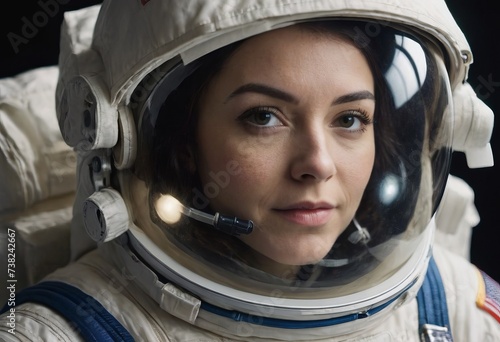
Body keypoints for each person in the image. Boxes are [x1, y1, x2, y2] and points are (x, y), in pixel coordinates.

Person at [1, 0, 499, 341]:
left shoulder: (455, 307)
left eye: (350, 119)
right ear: (183, 144)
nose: (317, 165)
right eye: (264, 117)